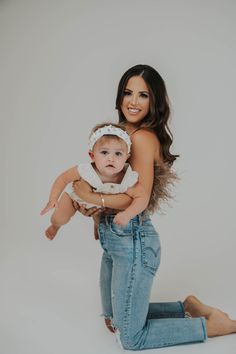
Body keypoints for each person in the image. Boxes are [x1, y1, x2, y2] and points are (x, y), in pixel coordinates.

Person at [72, 64, 236, 350]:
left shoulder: (142, 138)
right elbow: (111, 187)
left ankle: (209, 325)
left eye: (143, 95)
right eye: (128, 92)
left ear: (154, 101)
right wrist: (94, 210)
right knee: (112, 320)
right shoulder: (119, 134)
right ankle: (186, 307)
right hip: (115, 240)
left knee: (131, 338)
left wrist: (92, 197)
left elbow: (135, 198)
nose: (133, 102)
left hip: (134, 241)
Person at [40, 123, 151, 240]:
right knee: (60, 217)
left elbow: (142, 198)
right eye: (104, 152)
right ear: (92, 155)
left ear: (126, 158)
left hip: (101, 206)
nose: (111, 158)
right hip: (74, 197)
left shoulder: (127, 179)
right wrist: (53, 199)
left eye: (118, 154)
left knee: (101, 217)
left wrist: (128, 214)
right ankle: (55, 226)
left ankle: (97, 225)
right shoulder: (85, 170)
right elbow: (63, 179)